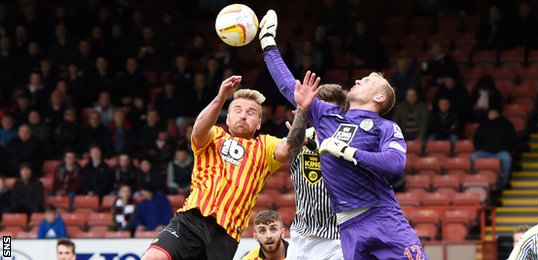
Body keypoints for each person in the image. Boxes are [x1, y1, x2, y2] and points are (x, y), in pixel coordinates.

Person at [260, 10, 428, 259]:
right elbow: (288, 86)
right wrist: (267, 44)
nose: (359, 79)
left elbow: (396, 164)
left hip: (381, 216)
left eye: (369, 81)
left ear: (379, 98)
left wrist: (347, 152)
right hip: (347, 227)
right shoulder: (328, 116)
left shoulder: (386, 127)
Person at [142, 73, 316, 259]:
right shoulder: (214, 135)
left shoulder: (265, 145)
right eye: (238, 110)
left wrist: (302, 110)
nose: (243, 116)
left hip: (225, 236)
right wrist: (221, 97)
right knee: (153, 257)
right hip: (189, 221)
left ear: (258, 123)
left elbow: (289, 149)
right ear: (227, 118)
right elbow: (198, 131)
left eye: (250, 113)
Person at [287, 84, 346, 260]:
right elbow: (285, 152)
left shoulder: (350, 137)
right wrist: (299, 124)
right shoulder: (299, 135)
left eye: (331, 111)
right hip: (301, 234)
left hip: (336, 236)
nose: (324, 116)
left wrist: (311, 144)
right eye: (321, 110)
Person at [471, 109, 515, 189]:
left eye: (494, 112)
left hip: (500, 151)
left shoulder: (506, 124)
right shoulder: (483, 124)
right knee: (474, 156)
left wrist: (505, 148)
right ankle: (475, 179)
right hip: (483, 151)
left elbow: (512, 139)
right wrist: (479, 148)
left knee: (507, 158)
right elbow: (476, 139)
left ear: (498, 113)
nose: (492, 114)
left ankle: (503, 183)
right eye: (490, 112)